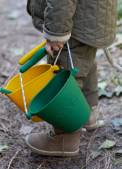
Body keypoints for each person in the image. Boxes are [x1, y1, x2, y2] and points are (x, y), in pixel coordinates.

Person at [25, 0, 117, 156]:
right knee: (82, 61)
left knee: (65, 69)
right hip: (90, 17)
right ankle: (88, 113)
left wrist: (57, 32)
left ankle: (64, 138)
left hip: (74, 21)